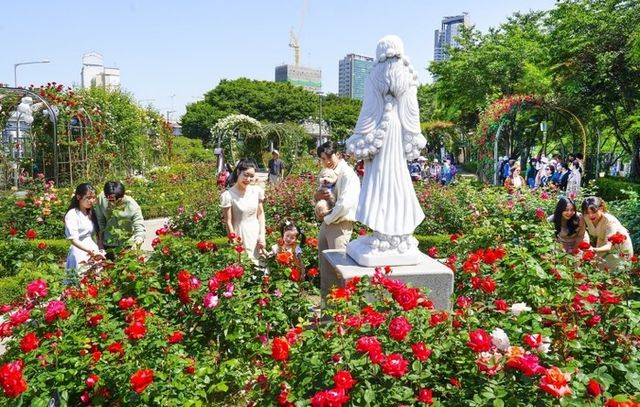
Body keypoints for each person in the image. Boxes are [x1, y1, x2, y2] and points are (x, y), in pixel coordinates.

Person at [314, 141, 360, 252]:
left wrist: (327, 217)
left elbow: (345, 204)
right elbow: (318, 194)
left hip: (340, 224)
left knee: (337, 261)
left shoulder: (347, 173)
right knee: (324, 261)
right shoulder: (326, 172)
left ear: (338, 154)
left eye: (330, 157)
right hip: (327, 223)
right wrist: (316, 197)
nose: (327, 162)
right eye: (323, 159)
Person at [221, 158, 266, 265]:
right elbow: (228, 221)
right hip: (240, 235)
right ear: (238, 172)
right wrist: (234, 242)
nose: (248, 179)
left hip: (256, 234)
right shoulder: (228, 196)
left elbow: (260, 214)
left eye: (251, 176)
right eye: (246, 175)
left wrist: (262, 235)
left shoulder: (257, 191)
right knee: (242, 266)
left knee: (259, 266)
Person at [95, 181, 146, 260]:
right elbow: (100, 221)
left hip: (127, 245)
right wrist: (100, 242)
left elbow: (140, 228)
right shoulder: (101, 198)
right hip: (109, 244)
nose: (113, 203)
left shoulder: (132, 205)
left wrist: (137, 243)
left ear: (123, 195)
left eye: (117, 201)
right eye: (110, 200)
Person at [581, 196, 633, 270]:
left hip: (619, 248)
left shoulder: (610, 221)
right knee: (600, 270)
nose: (590, 215)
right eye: (587, 212)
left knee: (618, 272)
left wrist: (593, 250)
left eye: (593, 212)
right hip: (602, 244)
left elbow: (608, 246)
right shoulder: (586, 217)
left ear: (601, 209)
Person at [65, 183, 105, 274]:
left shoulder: (91, 213)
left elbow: (98, 232)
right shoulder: (72, 214)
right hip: (79, 251)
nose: (91, 201)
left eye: (93, 197)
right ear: (78, 197)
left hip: (93, 249)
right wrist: (91, 251)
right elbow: (73, 240)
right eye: (88, 198)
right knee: (81, 276)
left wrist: (100, 247)